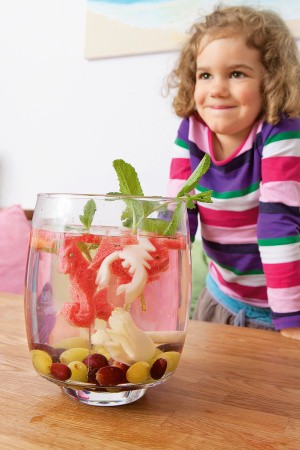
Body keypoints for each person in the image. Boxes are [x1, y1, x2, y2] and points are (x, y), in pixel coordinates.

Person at [166, 5, 300, 338]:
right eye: (205, 75)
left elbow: (278, 224)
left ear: (271, 80)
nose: (217, 89)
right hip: (222, 300)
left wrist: (292, 323)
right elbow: (178, 214)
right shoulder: (192, 131)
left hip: (287, 311)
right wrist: (160, 295)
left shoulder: (280, 131)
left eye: (237, 73)